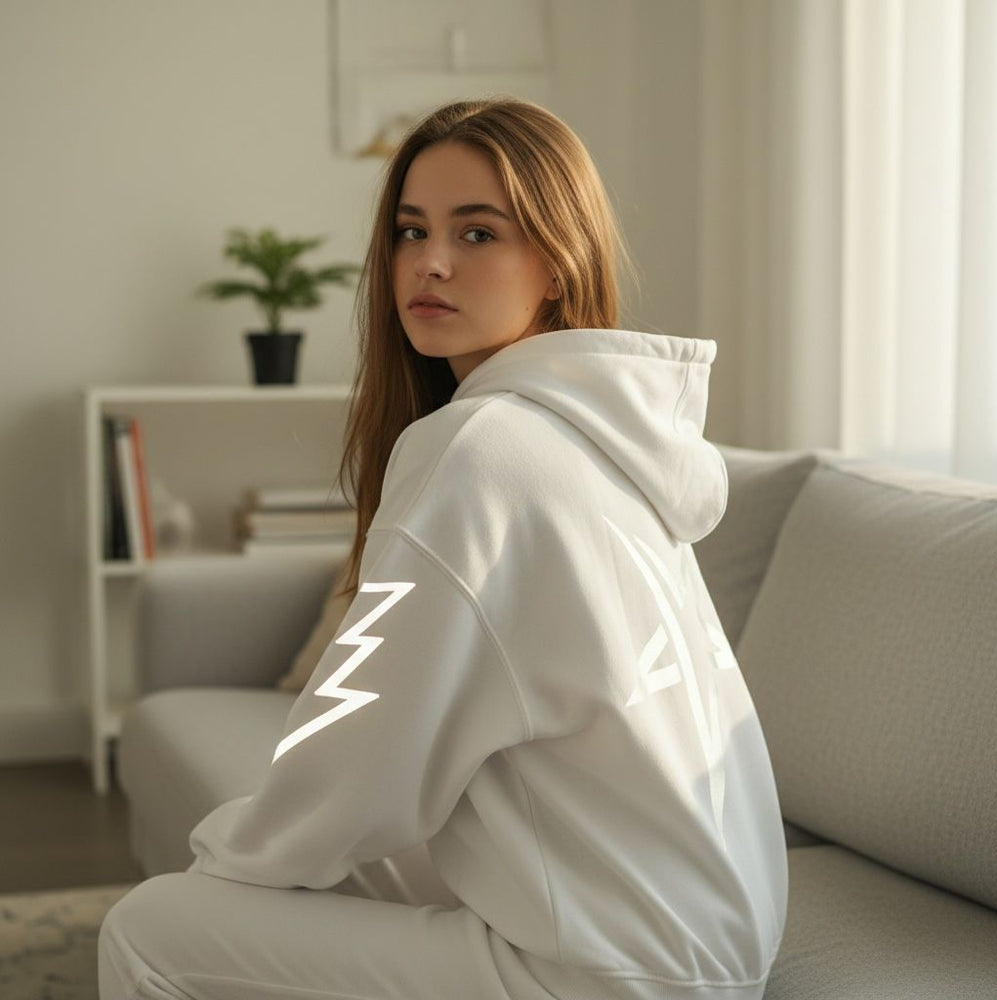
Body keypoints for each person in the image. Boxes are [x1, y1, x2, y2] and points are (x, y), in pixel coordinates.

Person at [99, 97, 788, 1000]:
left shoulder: (485, 451)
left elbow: (357, 753)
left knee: (149, 929)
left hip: (615, 970)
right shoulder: (602, 443)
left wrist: (221, 861)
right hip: (719, 930)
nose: (429, 261)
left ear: (556, 262)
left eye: (477, 234)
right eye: (411, 230)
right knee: (343, 869)